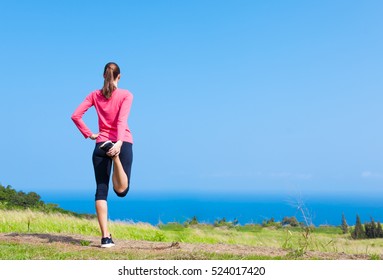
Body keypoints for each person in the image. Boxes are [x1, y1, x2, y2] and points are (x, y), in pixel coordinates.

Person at [71, 62, 133, 248]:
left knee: (101, 190)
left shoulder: (94, 95)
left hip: (101, 144)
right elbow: (122, 120)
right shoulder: (126, 95)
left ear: (103, 76)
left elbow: (75, 116)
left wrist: (89, 134)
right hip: (123, 142)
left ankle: (105, 238)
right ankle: (116, 158)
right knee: (121, 191)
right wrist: (119, 143)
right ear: (119, 76)